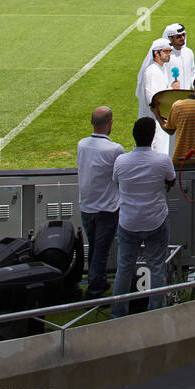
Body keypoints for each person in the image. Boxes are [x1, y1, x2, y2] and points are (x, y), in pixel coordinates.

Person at [110, 117, 175, 317]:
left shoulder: (121, 161)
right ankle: (155, 313)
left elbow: (117, 182)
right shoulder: (162, 160)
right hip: (155, 221)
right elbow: (171, 180)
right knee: (156, 267)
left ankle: (118, 313)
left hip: (129, 222)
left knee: (124, 269)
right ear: (153, 136)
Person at [76, 107, 124, 298]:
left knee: (96, 247)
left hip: (87, 205)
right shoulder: (115, 149)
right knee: (101, 250)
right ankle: (94, 289)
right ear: (110, 122)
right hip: (107, 208)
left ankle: (99, 280)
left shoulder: (82, 145)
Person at [134, 37, 180, 156]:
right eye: (166, 51)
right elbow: (152, 98)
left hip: (160, 121)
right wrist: (172, 89)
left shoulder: (160, 69)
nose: (169, 54)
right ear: (156, 53)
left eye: (170, 51)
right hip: (155, 123)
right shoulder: (152, 72)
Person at [164, 22, 195, 92]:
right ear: (170, 38)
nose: (183, 38)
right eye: (178, 36)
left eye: (183, 35)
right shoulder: (166, 57)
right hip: (171, 96)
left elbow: (192, 73)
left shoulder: (189, 52)